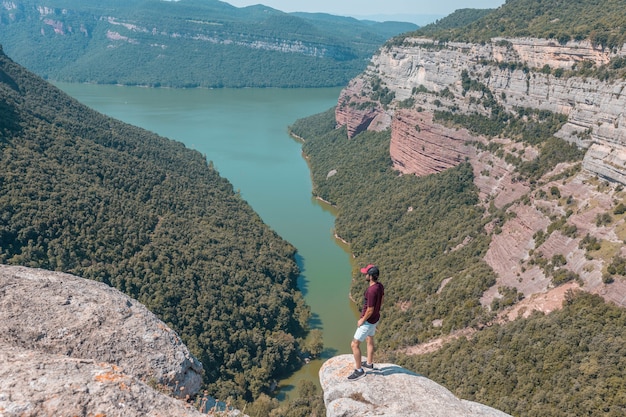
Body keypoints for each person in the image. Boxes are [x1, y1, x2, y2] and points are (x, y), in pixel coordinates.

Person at [348, 264, 384, 381]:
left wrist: (362, 320)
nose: (365, 275)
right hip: (375, 319)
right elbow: (382, 300)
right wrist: (376, 312)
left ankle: (359, 371)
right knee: (370, 338)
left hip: (368, 321)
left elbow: (370, 309)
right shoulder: (380, 286)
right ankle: (369, 363)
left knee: (354, 344)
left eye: (366, 274)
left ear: (371, 276)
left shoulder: (370, 291)